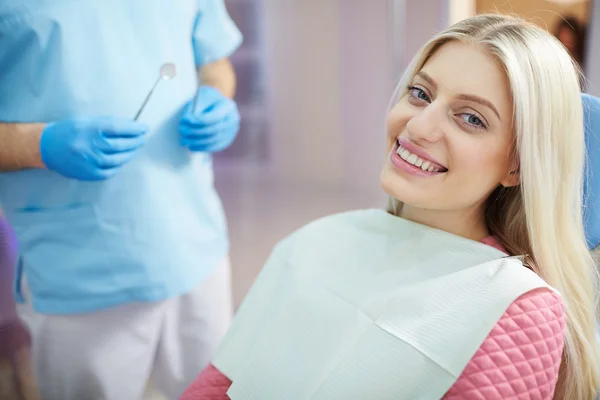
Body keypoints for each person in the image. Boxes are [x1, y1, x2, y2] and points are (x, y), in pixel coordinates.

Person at [180, 14, 600, 400]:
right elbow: (219, 384)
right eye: (420, 93)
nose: (417, 126)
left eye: (471, 118)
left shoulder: (516, 309)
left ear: (517, 165)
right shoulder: (320, 239)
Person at [0, 1, 242, 399]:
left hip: (196, 248)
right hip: (77, 274)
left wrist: (217, 97)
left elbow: (215, 61)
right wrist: (39, 145)